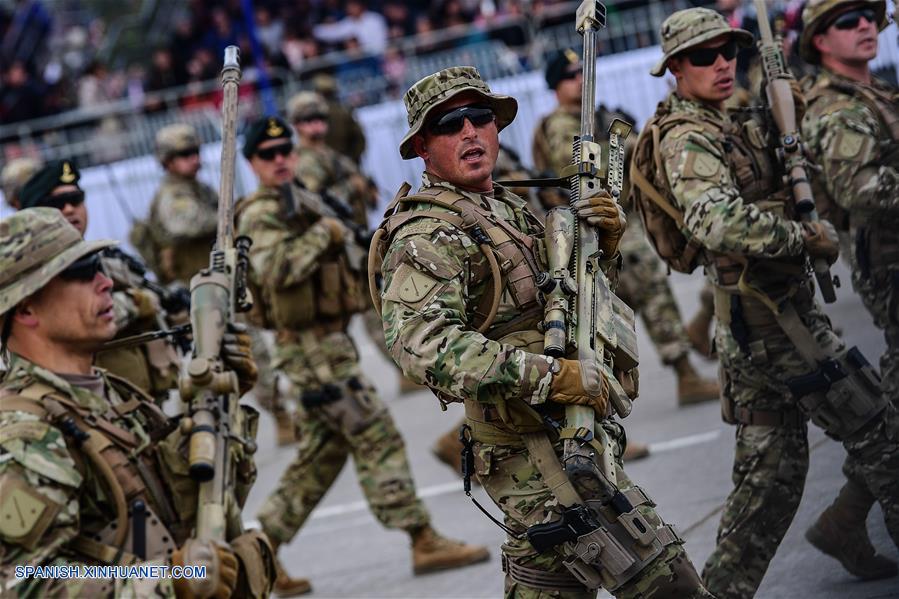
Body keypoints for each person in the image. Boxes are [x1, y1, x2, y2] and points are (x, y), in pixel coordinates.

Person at [374, 66, 712, 598]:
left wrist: (603, 247)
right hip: (531, 455)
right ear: (421, 146)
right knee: (671, 584)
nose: (469, 132)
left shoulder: (506, 207)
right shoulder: (426, 232)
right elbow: (421, 344)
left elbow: (569, 304)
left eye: (480, 117)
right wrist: (551, 376)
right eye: (449, 123)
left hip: (569, 438)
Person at [636, 8, 899, 597]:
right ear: (676, 67)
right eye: (704, 57)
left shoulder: (731, 116)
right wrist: (802, 236)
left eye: (729, 51)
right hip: (773, 322)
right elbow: (715, 219)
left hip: (758, 321)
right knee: (884, 434)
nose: (722, 64)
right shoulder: (687, 136)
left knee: (770, 481)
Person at [234, 116, 490, 597]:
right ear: (252, 163)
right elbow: (275, 267)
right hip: (309, 351)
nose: (281, 159)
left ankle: (259, 552)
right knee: (378, 435)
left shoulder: (302, 199)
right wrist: (325, 234)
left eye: (285, 149)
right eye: (268, 154)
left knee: (319, 459)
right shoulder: (259, 212)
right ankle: (421, 538)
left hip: (330, 342)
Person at [0, 208, 273, 597]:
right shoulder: (24, 434)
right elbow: (21, 583)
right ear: (25, 308)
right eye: (81, 271)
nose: (106, 282)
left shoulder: (114, 395)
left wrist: (225, 402)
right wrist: (169, 583)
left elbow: (185, 514)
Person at [533, 48, 719, 409]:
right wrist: (623, 146)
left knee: (625, 310)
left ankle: (663, 376)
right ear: (556, 85)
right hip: (591, 224)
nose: (580, 81)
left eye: (582, 73)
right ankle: (683, 373)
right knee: (646, 297)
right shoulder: (561, 125)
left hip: (617, 218)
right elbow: (579, 171)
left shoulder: (601, 116)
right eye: (571, 76)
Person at [800, 0, 899, 580]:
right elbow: (860, 188)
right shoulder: (836, 109)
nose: (864, 24)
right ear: (819, 40)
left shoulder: (876, 92)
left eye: (869, 14)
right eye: (847, 20)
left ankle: (842, 520)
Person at [18, 161, 182, 405]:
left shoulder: (106, 257)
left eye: (76, 198)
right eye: (57, 203)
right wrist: (137, 302)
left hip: (139, 396)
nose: (70, 209)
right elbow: (76, 316)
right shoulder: (35, 270)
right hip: (88, 402)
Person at [134, 123, 218, 286]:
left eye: (196, 152)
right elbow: (185, 224)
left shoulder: (200, 188)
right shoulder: (171, 194)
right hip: (190, 283)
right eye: (185, 154)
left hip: (208, 277)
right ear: (168, 161)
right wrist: (227, 218)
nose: (195, 159)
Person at [313, 73, 367, 165]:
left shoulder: (317, 115)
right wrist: (353, 159)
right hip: (347, 162)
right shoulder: (344, 111)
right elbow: (359, 138)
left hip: (329, 164)